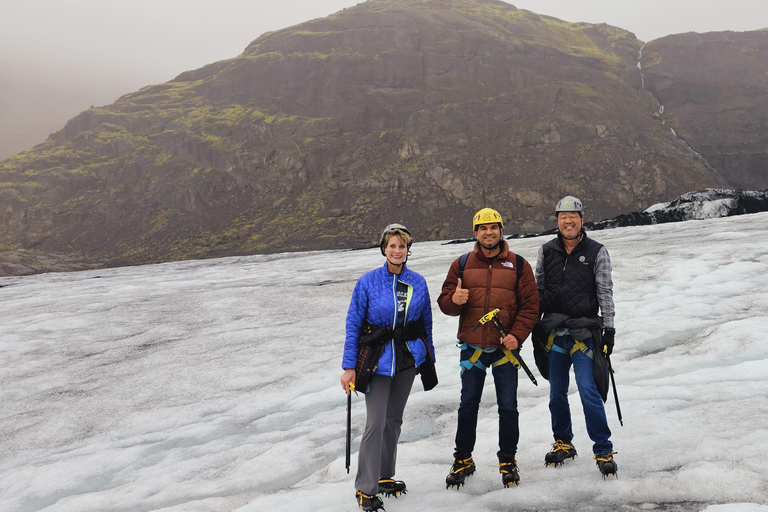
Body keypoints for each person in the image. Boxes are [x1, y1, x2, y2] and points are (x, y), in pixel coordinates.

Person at [437, 208, 539, 488]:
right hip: (474, 348)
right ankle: (463, 459)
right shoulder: (461, 264)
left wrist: (517, 336)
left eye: (493, 227)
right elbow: (444, 303)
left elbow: (531, 306)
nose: (488, 232)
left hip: (505, 349)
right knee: (468, 405)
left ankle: (508, 459)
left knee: (508, 407)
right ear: (475, 233)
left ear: (501, 230)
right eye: (482, 228)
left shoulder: (519, 265)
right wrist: (454, 299)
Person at [341, 223, 436, 511]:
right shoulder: (368, 282)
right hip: (377, 362)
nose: (397, 251)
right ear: (384, 248)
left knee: (394, 420)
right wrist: (349, 367)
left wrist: (428, 358)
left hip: (406, 361)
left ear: (408, 250)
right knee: (375, 423)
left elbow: (425, 324)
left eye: (402, 246)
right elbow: (354, 325)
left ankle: (383, 475)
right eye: (392, 246)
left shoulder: (418, 282)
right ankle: (365, 487)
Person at [533, 196, 618, 477]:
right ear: (556, 220)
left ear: (582, 219)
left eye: (573, 216)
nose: (568, 221)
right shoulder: (546, 251)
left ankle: (603, 449)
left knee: (587, 388)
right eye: (562, 216)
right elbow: (538, 292)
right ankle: (563, 442)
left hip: (583, 333)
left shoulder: (597, 252)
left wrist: (609, 329)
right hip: (555, 334)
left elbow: (605, 291)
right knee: (557, 392)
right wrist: (533, 322)